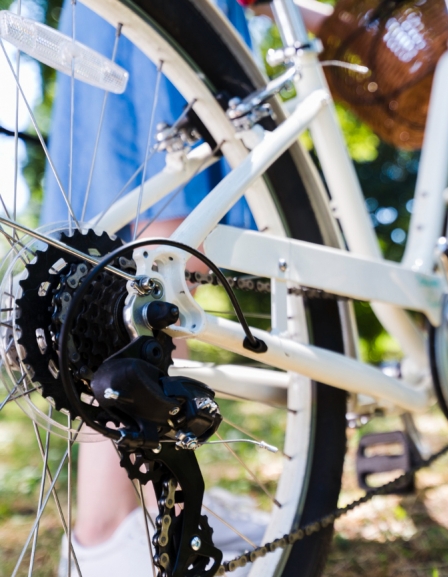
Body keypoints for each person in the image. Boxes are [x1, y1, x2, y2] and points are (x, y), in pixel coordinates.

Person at [50, 2, 328, 575]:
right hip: (168, 25)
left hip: (101, 22)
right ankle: (110, 536)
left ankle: (140, 515)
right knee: (158, 275)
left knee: (124, 262)